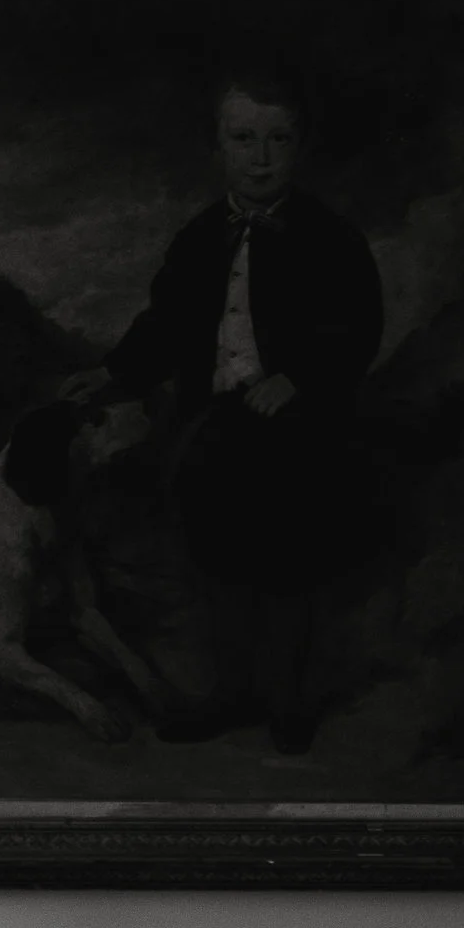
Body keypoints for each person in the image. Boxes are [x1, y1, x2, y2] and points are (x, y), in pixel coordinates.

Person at [101, 68, 385, 753]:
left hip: (296, 428)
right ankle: (231, 692)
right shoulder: (200, 237)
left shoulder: (330, 237)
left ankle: (287, 700)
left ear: (300, 146)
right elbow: (166, 323)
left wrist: (300, 378)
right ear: (219, 146)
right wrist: (112, 375)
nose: (260, 156)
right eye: (244, 138)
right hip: (214, 425)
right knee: (216, 555)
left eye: (277, 139)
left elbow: (358, 323)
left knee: (285, 557)